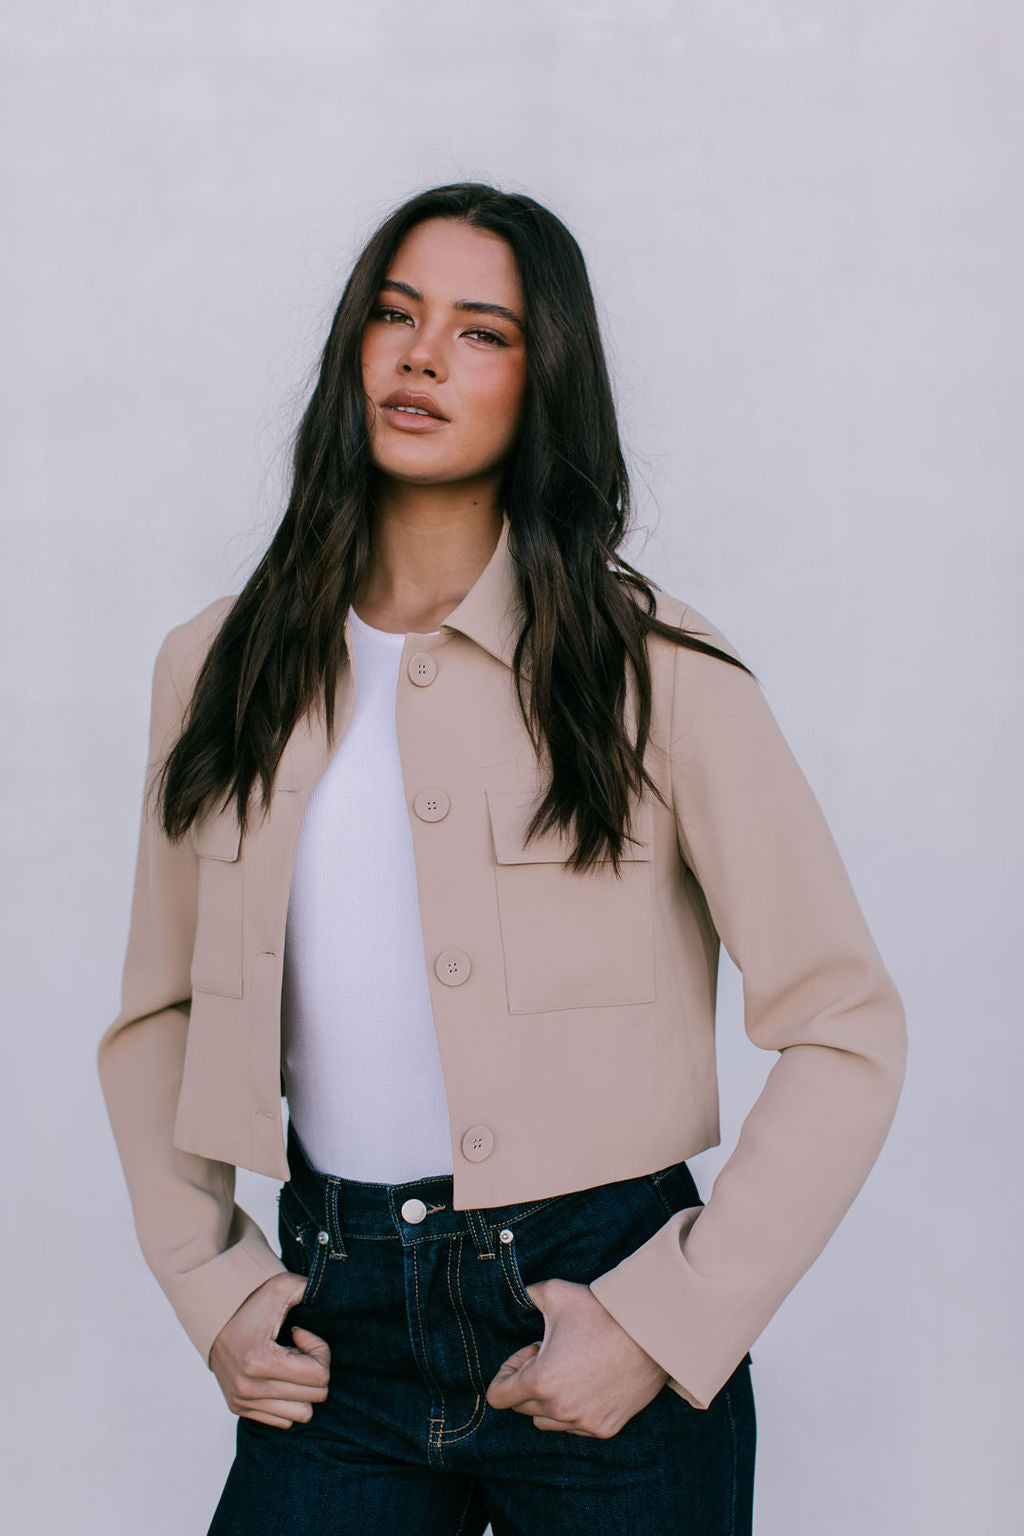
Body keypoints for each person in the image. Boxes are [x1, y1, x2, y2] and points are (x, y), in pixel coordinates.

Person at [97, 181, 907, 1536]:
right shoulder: (217, 665)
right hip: (332, 1335)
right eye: (395, 314)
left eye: (482, 332)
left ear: (546, 383)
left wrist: (667, 1321)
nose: (423, 356)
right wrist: (212, 1284)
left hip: (595, 1301)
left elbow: (846, 1023)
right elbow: (156, 1016)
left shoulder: (650, 672)